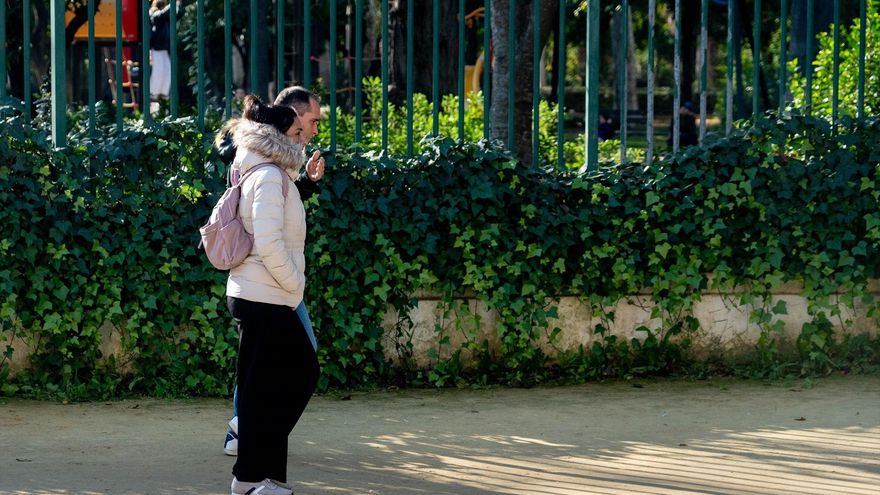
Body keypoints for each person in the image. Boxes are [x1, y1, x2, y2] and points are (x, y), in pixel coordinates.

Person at [221, 94, 321, 495]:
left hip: (263, 294)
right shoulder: (266, 175)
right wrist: (294, 283)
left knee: (265, 389)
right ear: (278, 136)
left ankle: (260, 479)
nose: (303, 138)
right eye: (296, 131)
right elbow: (268, 242)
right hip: (265, 296)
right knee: (299, 374)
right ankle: (252, 475)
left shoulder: (270, 172)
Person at [148, 0, 178, 113]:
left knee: (168, 70)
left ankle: (163, 94)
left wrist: (177, 6)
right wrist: (174, 4)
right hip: (157, 47)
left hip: (164, 48)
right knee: (158, 71)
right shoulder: (154, 14)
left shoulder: (164, 17)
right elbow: (162, 14)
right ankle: (154, 94)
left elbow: (176, 15)